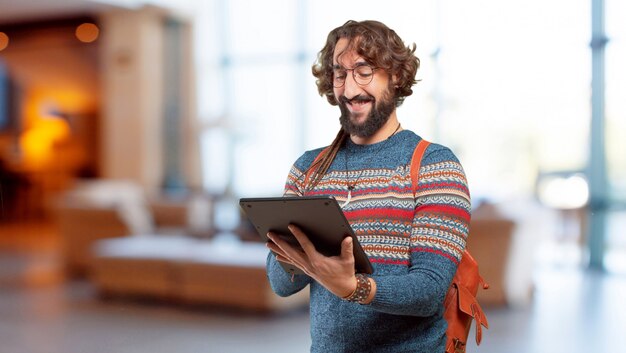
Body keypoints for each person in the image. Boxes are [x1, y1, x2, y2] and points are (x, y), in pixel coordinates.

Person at [265, 20, 471, 353]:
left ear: (397, 77)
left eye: (364, 71)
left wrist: (353, 287)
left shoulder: (435, 165)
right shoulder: (308, 170)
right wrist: (310, 248)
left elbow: (429, 290)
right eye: (340, 73)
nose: (349, 89)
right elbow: (280, 284)